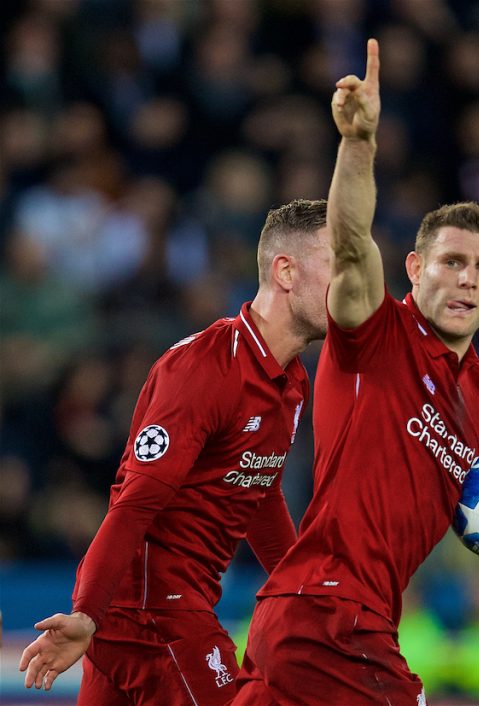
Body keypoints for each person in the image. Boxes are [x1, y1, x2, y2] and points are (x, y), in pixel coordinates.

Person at [233, 38, 479, 706]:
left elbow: (471, 522)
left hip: (343, 620)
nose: (466, 279)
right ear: (416, 269)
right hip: (328, 615)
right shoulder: (376, 333)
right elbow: (349, 243)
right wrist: (358, 145)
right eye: (451, 261)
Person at [18, 198, 334, 705]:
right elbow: (136, 501)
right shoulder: (204, 368)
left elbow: (260, 494)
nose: (354, 283)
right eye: (340, 263)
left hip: (152, 608)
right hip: (151, 609)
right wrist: (87, 612)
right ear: (286, 271)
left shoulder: (292, 383)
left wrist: (303, 595)